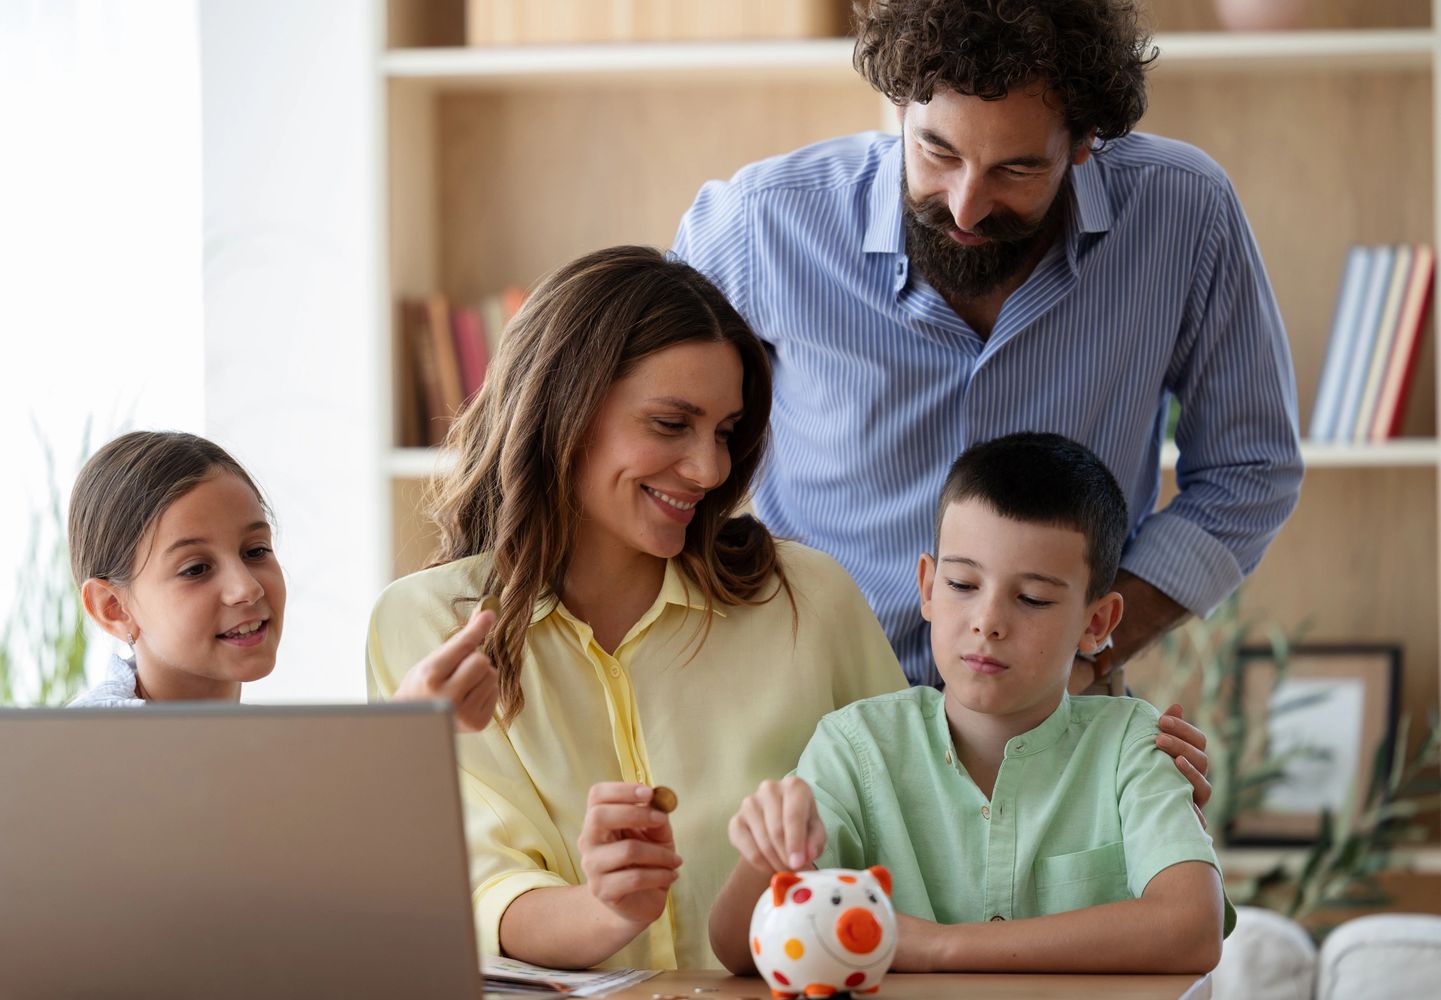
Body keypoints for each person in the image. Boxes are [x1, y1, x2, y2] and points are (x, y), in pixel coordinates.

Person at [672, 0, 1303, 692]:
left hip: (1055, 721)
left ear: (1084, 141)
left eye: (1016, 170)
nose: (966, 205)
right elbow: (638, 440)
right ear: (898, 104)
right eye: (936, 152)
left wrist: (1087, 651)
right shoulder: (762, 224)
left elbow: (1250, 468)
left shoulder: (1182, 214)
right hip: (815, 711)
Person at [366, 246, 909, 970]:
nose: (711, 469)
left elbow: (915, 835)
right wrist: (603, 911)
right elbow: (478, 892)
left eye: (723, 431)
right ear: (567, 408)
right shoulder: (426, 626)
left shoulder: (810, 600)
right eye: (669, 424)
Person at [710, 432, 1229, 975]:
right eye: (962, 584)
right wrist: (766, 854)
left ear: (1096, 623)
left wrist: (938, 946)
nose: (988, 621)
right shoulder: (855, 746)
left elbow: (1192, 929)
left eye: (1031, 598)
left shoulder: (1132, 745)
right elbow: (737, 950)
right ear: (928, 588)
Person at [67, 429, 496, 725]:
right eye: (195, 569)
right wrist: (403, 733)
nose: (247, 588)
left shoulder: (261, 745)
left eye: (256, 552)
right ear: (113, 608)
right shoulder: (85, 747)